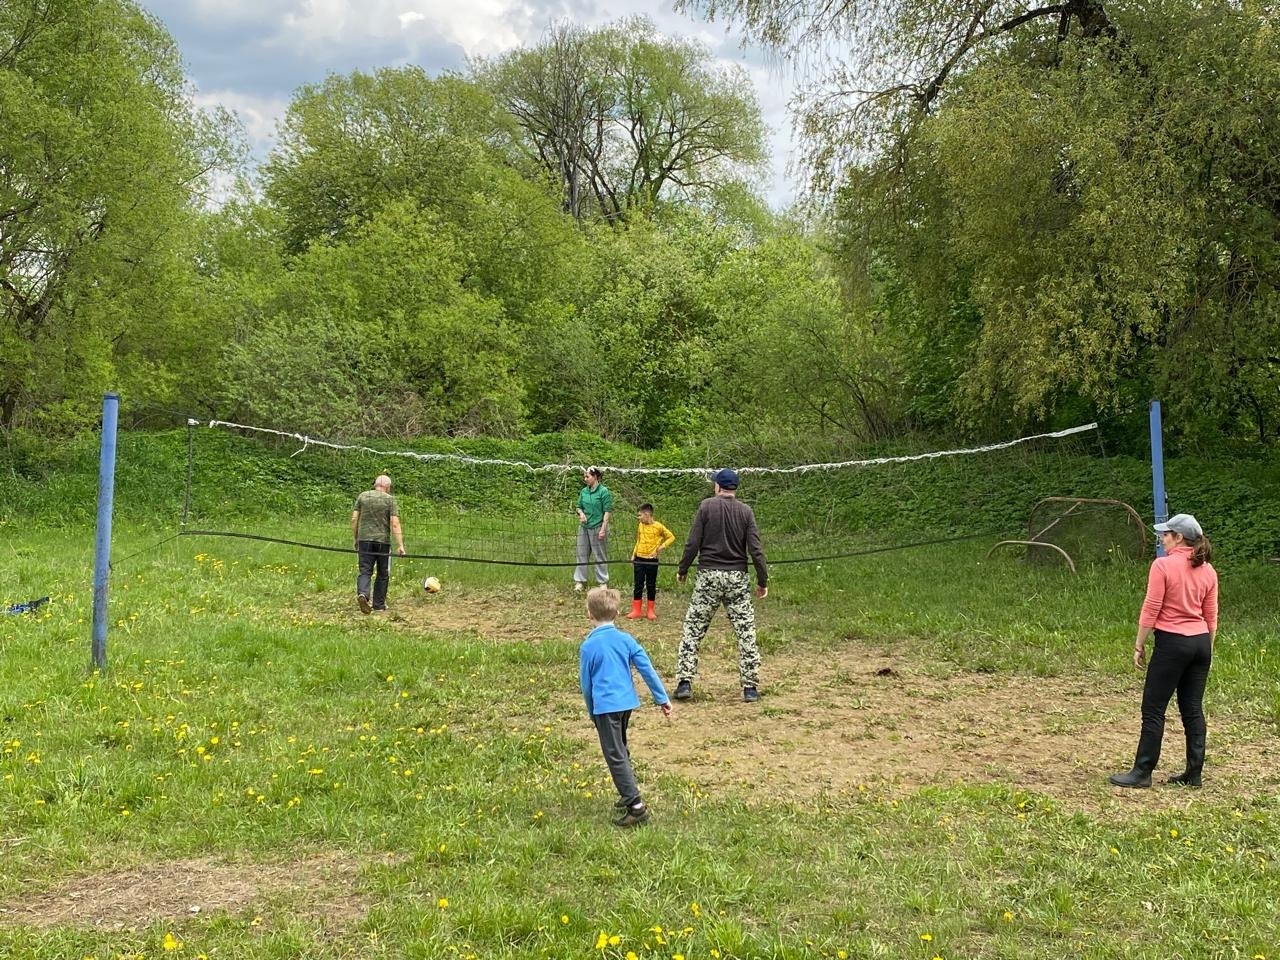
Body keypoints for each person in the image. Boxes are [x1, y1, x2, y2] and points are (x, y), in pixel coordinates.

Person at [1110, 513, 1218, 789]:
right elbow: (1211, 616)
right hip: (1200, 643)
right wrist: (1208, 647)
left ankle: (1142, 771)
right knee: (1192, 709)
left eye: (1166, 534)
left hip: (1172, 643)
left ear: (1179, 537)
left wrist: (1139, 642)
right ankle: (1194, 773)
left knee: (1154, 708)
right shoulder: (1208, 570)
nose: (1162, 538)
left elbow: (1151, 607)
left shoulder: (1162, 566)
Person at [673, 468, 769, 703]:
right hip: (737, 577)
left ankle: (685, 682)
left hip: (709, 575)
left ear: (718, 486)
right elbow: (755, 549)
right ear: (734, 488)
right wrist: (762, 579)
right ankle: (750, 687)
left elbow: (693, 541)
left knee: (693, 628)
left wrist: (683, 568)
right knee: (746, 632)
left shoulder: (706, 507)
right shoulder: (746, 511)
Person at [579, 586, 672, 827]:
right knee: (620, 748)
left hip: (605, 707)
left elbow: (586, 685)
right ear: (618, 613)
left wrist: (591, 709)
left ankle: (636, 806)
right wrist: (662, 698)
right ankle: (626, 790)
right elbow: (646, 669)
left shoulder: (588, 647)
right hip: (626, 704)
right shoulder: (626, 639)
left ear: (589, 614)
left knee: (615, 754)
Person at [351, 474, 406, 614]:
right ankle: (379, 605)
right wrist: (400, 545)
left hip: (364, 540)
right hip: (383, 542)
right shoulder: (390, 500)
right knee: (383, 573)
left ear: (375, 484)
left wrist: (356, 538)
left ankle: (363, 594)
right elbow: (394, 523)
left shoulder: (363, 496)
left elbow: (354, 519)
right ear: (387, 487)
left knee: (365, 570)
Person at [627, 502, 676, 621]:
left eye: (640, 515)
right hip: (639, 558)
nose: (638, 518)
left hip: (651, 560)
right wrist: (634, 554)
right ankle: (636, 610)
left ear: (647, 514)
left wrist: (661, 547)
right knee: (638, 584)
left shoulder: (658, 526)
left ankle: (650, 610)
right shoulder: (640, 525)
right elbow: (638, 540)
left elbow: (671, 537)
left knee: (651, 585)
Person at [573, 466, 613, 591]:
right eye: (584, 476)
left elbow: (607, 511)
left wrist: (603, 528)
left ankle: (602, 582)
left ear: (595, 477)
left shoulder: (604, 492)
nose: (585, 479)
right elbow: (578, 507)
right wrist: (581, 514)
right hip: (584, 528)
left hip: (598, 527)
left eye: (587, 476)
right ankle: (580, 581)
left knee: (599, 555)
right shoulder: (584, 491)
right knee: (581, 554)